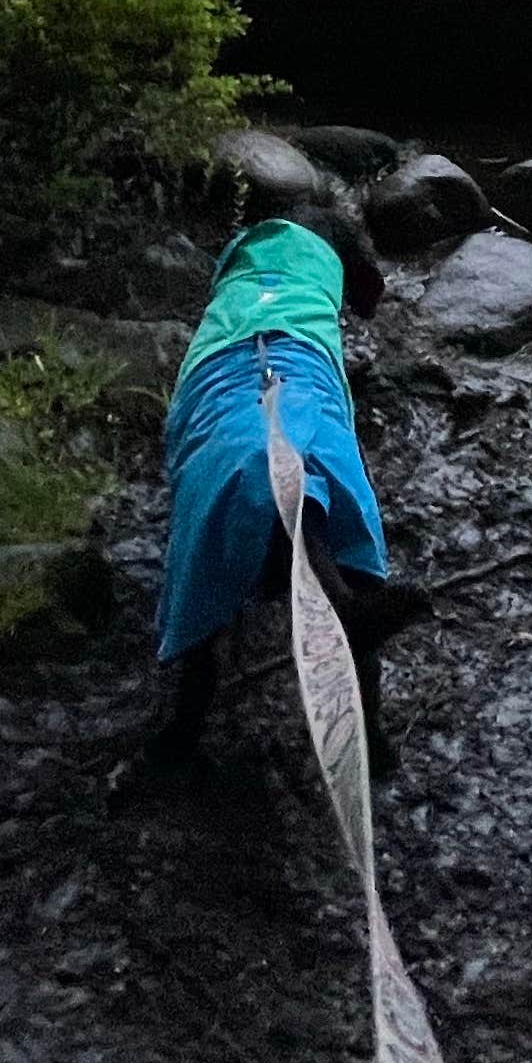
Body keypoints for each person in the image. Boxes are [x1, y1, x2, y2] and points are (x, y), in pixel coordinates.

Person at [138, 191, 430, 777]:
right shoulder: (338, 267)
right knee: (310, 469)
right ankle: (369, 735)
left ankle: (185, 727)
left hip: (222, 377)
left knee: (227, 470)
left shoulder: (233, 279)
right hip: (303, 374)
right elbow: (370, 299)